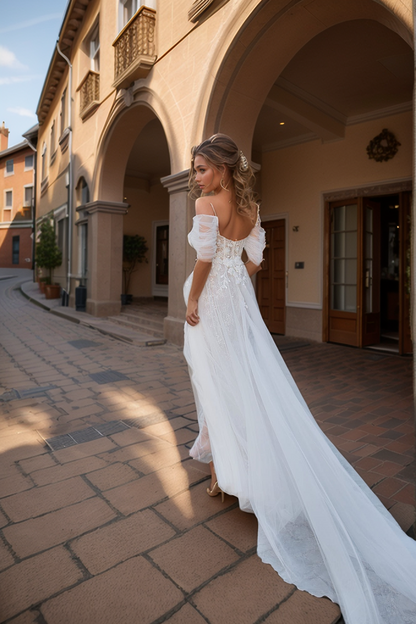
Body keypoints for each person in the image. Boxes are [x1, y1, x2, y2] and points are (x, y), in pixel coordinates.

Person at [183, 133, 416, 624]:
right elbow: (254, 261)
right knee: (246, 385)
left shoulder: (209, 202)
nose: (197, 177)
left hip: (210, 305)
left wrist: (192, 301)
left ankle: (224, 475)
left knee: (217, 386)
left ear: (222, 170)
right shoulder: (249, 206)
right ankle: (237, 470)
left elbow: (205, 260)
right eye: (196, 169)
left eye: (203, 168)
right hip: (236, 305)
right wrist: (234, 291)